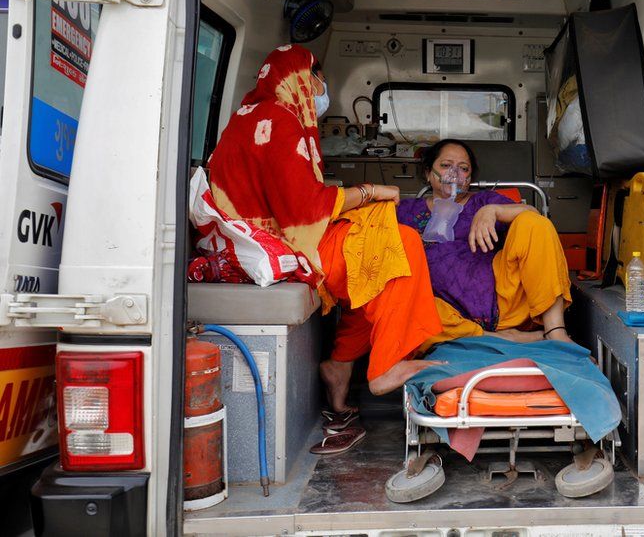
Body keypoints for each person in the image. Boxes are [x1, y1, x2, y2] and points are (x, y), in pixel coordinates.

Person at [205, 45, 443, 451]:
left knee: (373, 261)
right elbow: (307, 210)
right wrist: (368, 191)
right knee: (397, 244)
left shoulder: (249, 118)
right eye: (317, 77)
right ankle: (386, 366)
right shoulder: (278, 121)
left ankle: (339, 365)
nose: (321, 88)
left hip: (254, 238)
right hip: (276, 244)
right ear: (298, 78)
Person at [396, 139, 574, 346]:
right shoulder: (407, 211)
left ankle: (555, 330)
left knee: (534, 223)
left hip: (505, 301)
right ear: (428, 172)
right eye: (445, 165)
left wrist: (493, 211)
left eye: (463, 168)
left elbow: (534, 217)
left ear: (470, 177)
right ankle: (501, 337)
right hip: (446, 313)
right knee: (406, 305)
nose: (454, 173)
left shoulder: (484, 202)